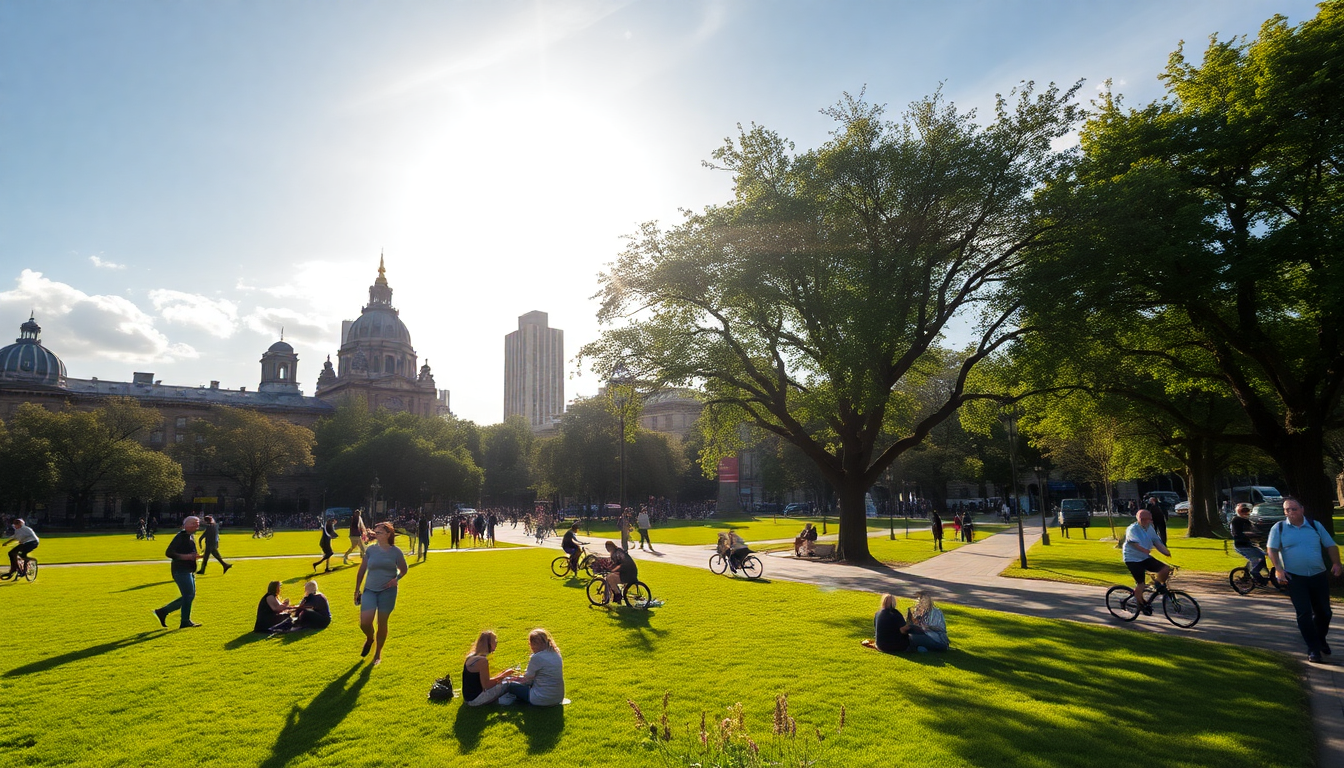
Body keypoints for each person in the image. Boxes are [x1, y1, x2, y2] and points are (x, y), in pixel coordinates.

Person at [1268, 497, 1343, 663]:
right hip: (1295, 577)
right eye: (1287, 510)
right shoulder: (1279, 528)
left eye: (1294, 509)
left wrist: (1337, 563)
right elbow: (1271, 549)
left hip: (1318, 576)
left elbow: (1331, 545)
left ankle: (1320, 639)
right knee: (1304, 613)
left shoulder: (1315, 526)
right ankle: (1313, 648)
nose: (1291, 512)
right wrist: (1279, 570)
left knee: (1324, 612)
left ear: (1302, 509)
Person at [354, 522, 409, 665]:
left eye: (380, 532)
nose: (376, 534)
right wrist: (357, 589)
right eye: (376, 532)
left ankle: (377, 653)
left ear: (388, 534)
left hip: (388, 592)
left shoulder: (395, 552)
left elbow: (404, 570)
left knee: (382, 622)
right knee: (365, 623)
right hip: (370, 590)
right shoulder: (371, 550)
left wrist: (395, 579)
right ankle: (370, 638)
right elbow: (362, 570)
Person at [153, 516, 203, 628]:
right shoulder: (181, 536)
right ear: (186, 525)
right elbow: (169, 552)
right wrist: (185, 557)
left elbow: (188, 552)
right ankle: (184, 621)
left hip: (188, 570)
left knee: (189, 596)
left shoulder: (190, 536)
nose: (196, 526)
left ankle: (163, 612)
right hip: (180, 570)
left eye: (198, 524)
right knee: (188, 595)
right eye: (194, 523)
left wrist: (195, 556)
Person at [1122, 508, 1172, 615]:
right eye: (1149, 519)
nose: (1150, 521)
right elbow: (1133, 543)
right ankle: (1140, 605)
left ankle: (1157, 584)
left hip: (1144, 557)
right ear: (1142, 519)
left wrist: (1166, 552)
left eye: (1150, 519)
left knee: (1165, 569)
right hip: (1132, 559)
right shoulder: (1132, 529)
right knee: (1141, 584)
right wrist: (1144, 549)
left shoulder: (1149, 528)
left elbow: (1156, 541)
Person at [501, 629, 565, 706]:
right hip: (558, 698)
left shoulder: (537, 657)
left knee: (510, 685)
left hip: (541, 699)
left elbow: (527, 678)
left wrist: (513, 678)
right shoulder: (556, 653)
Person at [462, 630, 519, 705]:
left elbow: (482, 681)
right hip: (476, 699)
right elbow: (487, 685)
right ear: (488, 644)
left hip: (468, 697)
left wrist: (502, 675)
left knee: (505, 679)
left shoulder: (471, 657)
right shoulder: (482, 661)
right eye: (494, 641)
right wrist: (504, 675)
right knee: (509, 683)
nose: (496, 643)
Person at [1230, 503, 1269, 585]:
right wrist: (1249, 534)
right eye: (1243, 511)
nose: (1245, 512)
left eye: (1247, 510)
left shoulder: (1247, 521)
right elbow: (1236, 533)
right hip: (1242, 545)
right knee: (1259, 558)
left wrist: (1260, 533)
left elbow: (1255, 530)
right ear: (1238, 511)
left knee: (1260, 556)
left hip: (1249, 544)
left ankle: (1246, 576)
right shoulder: (1236, 520)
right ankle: (1255, 574)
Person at [600, 540, 639, 605]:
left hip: (628, 574)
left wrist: (613, 570)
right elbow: (615, 564)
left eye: (607, 548)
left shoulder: (617, 553)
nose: (607, 549)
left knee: (609, 577)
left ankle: (617, 594)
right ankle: (609, 597)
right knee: (611, 577)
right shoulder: (618, 551)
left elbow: (622, 564)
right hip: (630, 572)